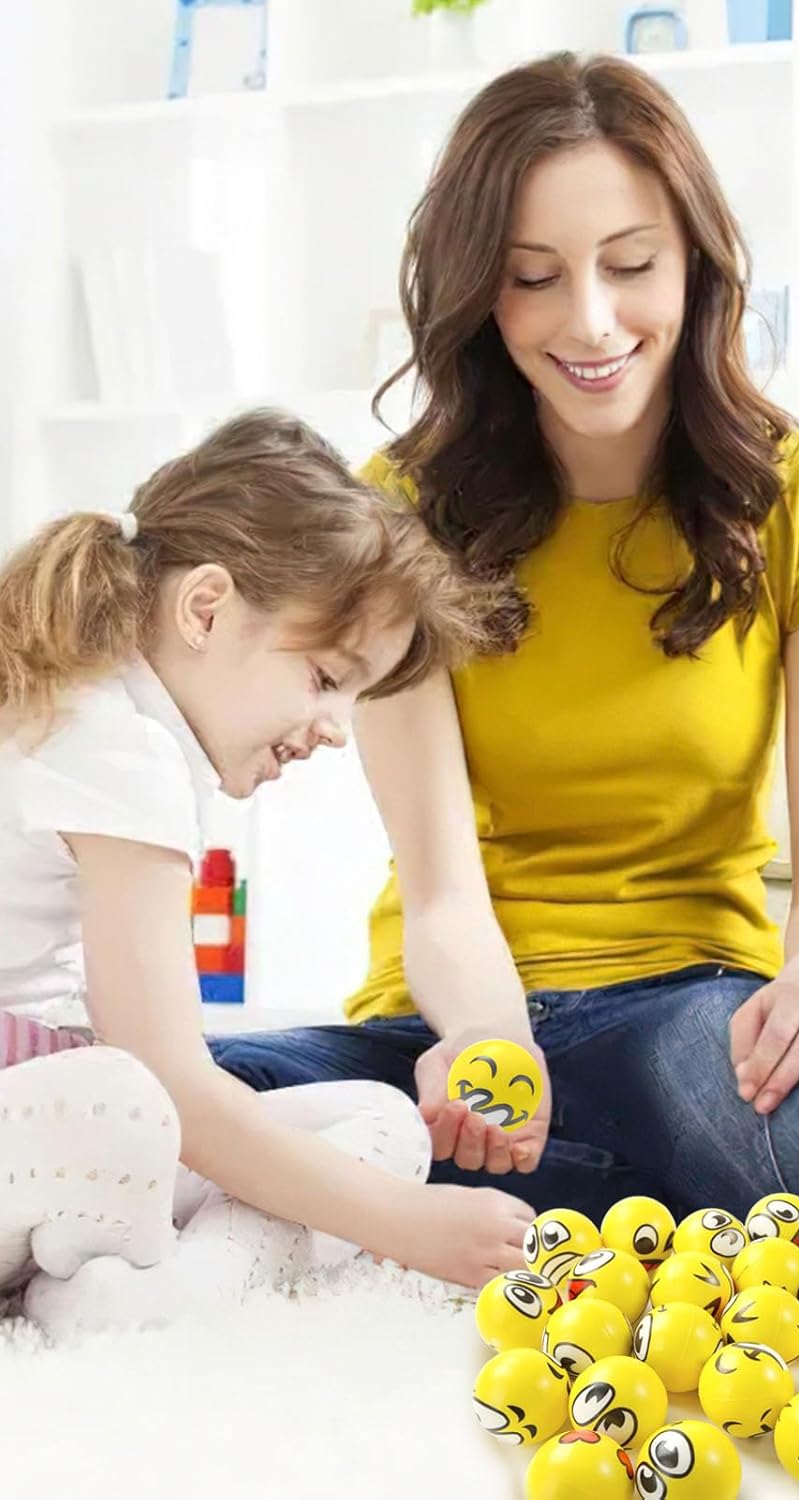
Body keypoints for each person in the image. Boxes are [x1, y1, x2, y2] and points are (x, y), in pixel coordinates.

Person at [208, 53, 799, 1244]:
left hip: (692, 1015)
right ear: (479, 291)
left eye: (630, 266)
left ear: (696, 267)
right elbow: (443, 890)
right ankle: (559, 1184)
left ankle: (442, 1190)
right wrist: (491, 1050)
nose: (591, 321)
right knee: (183, 1096)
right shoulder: (400, 511)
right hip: (453, 1020)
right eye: (534, 277)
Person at [0, 409, 536, 1337]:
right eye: (328, 678)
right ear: (205, 608)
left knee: (377, 1120)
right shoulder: (115, 749)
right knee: (131, 1102)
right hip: (66, 1114)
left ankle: (141, 1289)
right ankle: (122, 1293)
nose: (335, 730)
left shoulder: (105, 713)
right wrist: (405, 1226)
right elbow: (170, 1079)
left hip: (44, 1116)